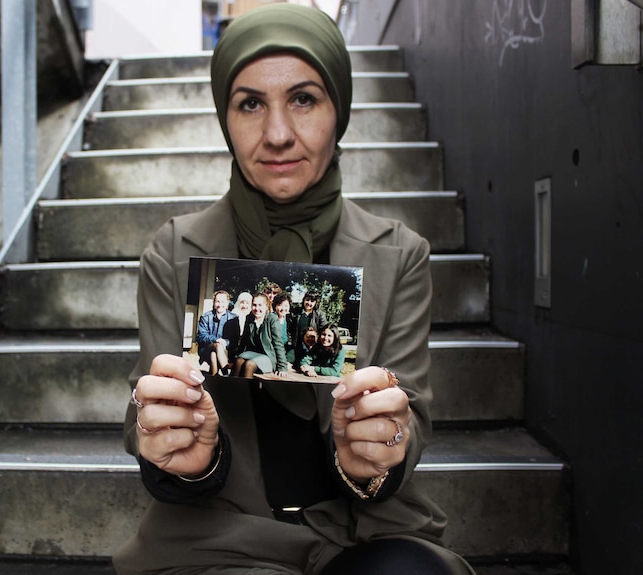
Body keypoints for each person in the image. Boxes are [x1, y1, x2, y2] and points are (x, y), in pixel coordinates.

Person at [120, 4, 474, 574]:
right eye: (251, 104)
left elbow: (410, 419)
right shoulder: (175, 250)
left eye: (304, 99)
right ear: (224, 117)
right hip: (221, 539)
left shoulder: (400, 253)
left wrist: (374, 456)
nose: (278, 134)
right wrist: (183, 456)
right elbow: (150, 409)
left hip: (366, 535)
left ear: (340, 112)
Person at [231, 292, 288, 378]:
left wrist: (282, 367)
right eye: (254, 305)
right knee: (238, 361)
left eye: (260, 305)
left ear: (266, 306)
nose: (257, 308)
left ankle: (247, 391)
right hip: (251, 353)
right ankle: (231, 389)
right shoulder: (249, 318)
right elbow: (244, 341)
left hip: (267, 356)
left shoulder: (272, 320)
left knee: (249, 365)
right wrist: (237, 355)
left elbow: (278, 344)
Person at [194, 290, 235, 375]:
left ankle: (214, 378)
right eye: (217, 301)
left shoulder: (233, 318)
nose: (220, 304)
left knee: (213, 355)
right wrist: (217, 340)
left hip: (226, 350)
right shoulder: (206, 317)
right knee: (217, 345)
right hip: (206, 349)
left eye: (223, 302)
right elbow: (201, 336)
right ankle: (225, 374)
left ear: (227, 303)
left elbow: (234, 339)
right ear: (214, 302)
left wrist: (225, 342)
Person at [222, 291, 252, 373]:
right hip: (233, 353)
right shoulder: (233, 319)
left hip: (247, 353)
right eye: (242, 302)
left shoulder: (252, 319)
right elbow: (230, 341)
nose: (244, 306)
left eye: (247, 303)